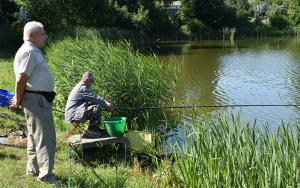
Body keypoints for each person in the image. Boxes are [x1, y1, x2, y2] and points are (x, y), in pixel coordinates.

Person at [10, 21, 58, 185]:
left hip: (35, 99)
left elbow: (23, 80)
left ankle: (33, 170)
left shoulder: (31, 50)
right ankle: (46, 176)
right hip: (36, 99)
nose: (46, 36)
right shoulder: (29, 51)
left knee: (34, 137)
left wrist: (19, 97)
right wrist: (17, 98)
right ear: (31, 36)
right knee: (46, 139)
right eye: (42, 33)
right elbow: (21, 79)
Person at [65, 72, 115, 137]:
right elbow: (96, 99)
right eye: (91, 80)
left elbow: (95, 98)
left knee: (96, 104)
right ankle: (92, 131)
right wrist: (107, 106)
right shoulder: (82, 88)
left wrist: (107, 104)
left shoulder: (82, 87)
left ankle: (94, 128)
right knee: (97, 107)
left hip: (75, 112)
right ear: (87, 80)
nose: (93, 82)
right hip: (74, 115)